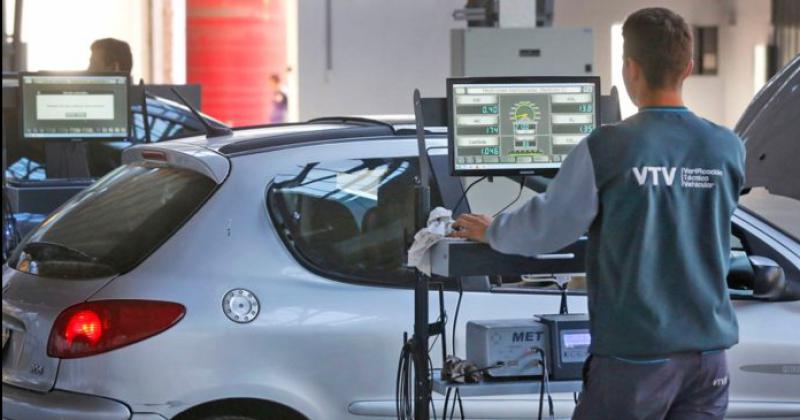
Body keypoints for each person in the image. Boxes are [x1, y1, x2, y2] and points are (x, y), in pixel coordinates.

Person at [451, 7, 744, 420]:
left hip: (636, 356)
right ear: (689, 68)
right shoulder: (727, 147)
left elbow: (549, 225)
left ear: (630, 69)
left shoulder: (608, 146)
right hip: (709, 359)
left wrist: (493, 230)